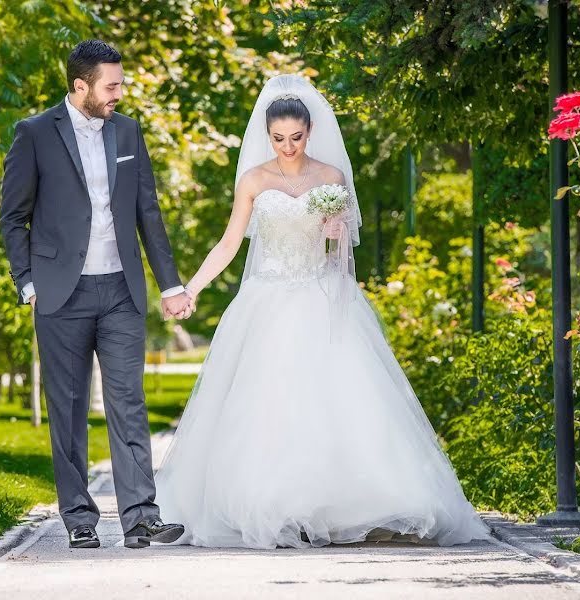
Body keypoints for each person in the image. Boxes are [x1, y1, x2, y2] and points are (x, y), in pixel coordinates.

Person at [154, 75, 491, 549]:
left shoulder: (332, 179)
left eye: (295, 137)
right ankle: (275, 506)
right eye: (277, 139)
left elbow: (340, 254)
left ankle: (345, 507)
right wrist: (191, 287)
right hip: (267, 300)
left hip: (321, 296)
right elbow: (230, 243)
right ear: (266, 136)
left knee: (337, 399)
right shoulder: (254, 180)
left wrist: (334, 231)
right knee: (270, 403)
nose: (287, 147)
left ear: (309, 131)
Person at [0, 39, 190, 549]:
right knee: (67, 408)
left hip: (122, 290)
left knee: (129, 401)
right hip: (61, 294)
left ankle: (141, 517)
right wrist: (28, 282)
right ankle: (79, 519)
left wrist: (170, 283)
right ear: (80, 85)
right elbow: (12, 217)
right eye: (112, 85)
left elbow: (147, 213)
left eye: (121, 84)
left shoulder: (127, 130)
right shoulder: (35, 133)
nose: (120, 94)